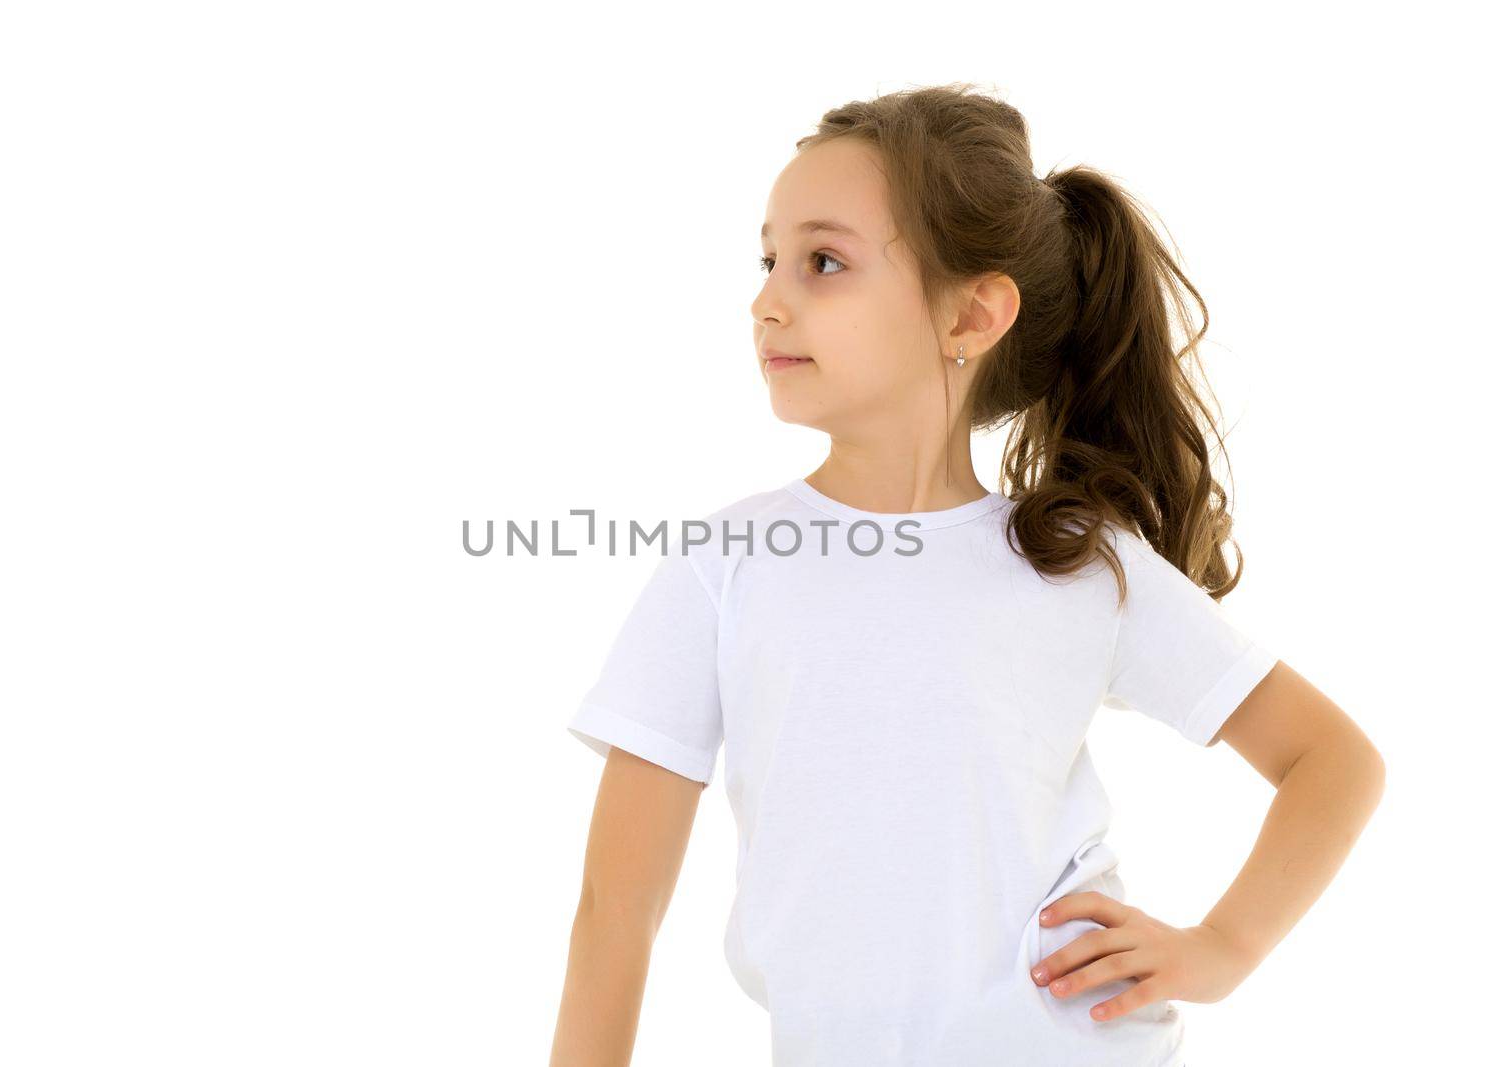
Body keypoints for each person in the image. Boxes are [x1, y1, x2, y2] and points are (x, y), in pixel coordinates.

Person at [549, 83, 1385, 1067]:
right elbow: (616, 912)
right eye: (768, 258)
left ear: (973, 312)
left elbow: (1332, 760)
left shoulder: (1075, 559)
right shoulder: (723, 567)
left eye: (824, 261)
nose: (767, 297)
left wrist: (1224, 946)